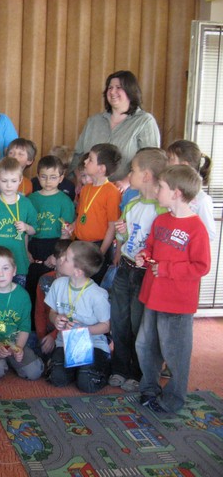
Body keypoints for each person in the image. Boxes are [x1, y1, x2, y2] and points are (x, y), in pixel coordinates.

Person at [135, 165, 211, 413]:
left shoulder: (196, 228)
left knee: (175, 353)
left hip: (177, 302)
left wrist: (167, 269)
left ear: (176, 193)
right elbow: (150, 247)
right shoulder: (161, 220)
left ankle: (173, 399)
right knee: (146, 345)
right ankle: (149, 388)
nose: (157, 190)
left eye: (161, 187)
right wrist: (144, 254)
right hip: (152, 296)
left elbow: (201, 266)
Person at [109, 148, 168, 393]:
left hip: (145, 274)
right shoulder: (132, 203)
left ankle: (138, 371)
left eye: (132, 170)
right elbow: (126, 238)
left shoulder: (162, 209)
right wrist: (121, 234)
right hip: (126, 267)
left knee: (138, 324)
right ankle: (120, 367)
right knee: (119, 320)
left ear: (146, 176)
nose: (128, 174)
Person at [70, 70, 161, 185]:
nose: (113, 91)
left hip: (128, 191)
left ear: (130, 91)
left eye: (118, 87)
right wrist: (79, 179)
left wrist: (125, 183)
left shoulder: (145, 121)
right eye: (110, 88)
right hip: (91, 188)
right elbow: (78, 155)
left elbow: (151, 160)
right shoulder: (93, 121)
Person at [45, 241, 111, 393]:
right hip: (65, 343)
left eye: (66, 258)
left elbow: (106, 326)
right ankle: (79, 369)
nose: (61, 259)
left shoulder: (97, 295)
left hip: (93, 344)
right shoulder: (58, 284)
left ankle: (97, 368)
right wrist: (56, 319)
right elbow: (52, 312)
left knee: (87, 384)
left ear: (78, 272)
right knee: (57, 379)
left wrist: (84, 329)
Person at [0, 247, 44, 381]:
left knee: (34, 372)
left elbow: (24, 327)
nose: (1, 274)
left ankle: (12, 360)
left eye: (5, 268)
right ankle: (1, 361)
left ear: (14, 270)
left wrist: (19, 347)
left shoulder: (23, 296)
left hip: (15, 342)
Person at [67, 143, 122, 284]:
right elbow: (82, 215)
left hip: (97, 247)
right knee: (75, 282)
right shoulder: (86, 189)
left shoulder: (112, 192)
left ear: (101, 169)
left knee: (92, 285)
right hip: (79, 243)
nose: (85, 161)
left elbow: (112, 227)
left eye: (90, 159)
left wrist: (100, 253)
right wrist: (73, 225)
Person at [26, 155, 76, 304]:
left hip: (54, 245)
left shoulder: (65, 201)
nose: (48, 181)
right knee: (32, 286)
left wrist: (56, 255)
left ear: (61, 178)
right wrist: (26, 251)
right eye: (44, 177)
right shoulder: (31, 199)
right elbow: (25, 229)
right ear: (38, 177)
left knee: (50, 290)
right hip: (34, 245)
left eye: (53, 177)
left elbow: (66, 234)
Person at [0, 157, 37, 287]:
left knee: (17, 294)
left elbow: (34, 229)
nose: (9, 185)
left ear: (20, 180)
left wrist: (26, 227)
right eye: (4, 181)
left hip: (18, 261)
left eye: (13, 181)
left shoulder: (26, 203)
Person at [167, 139, 215, 242]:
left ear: (184, 165)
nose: (167, 163)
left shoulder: (202, 200)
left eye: (171, 159)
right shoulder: (170, 191)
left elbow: (209, 234)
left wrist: (184, 239)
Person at [33, 239, 71, 361]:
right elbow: (40, 311)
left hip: (67, 331)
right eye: (64, 259)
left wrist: (53, 336)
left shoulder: (76, 283)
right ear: (54, 260)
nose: (67, 263)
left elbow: (74, 317)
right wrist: (42, 337)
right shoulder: (45, 279)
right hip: (47, 328)